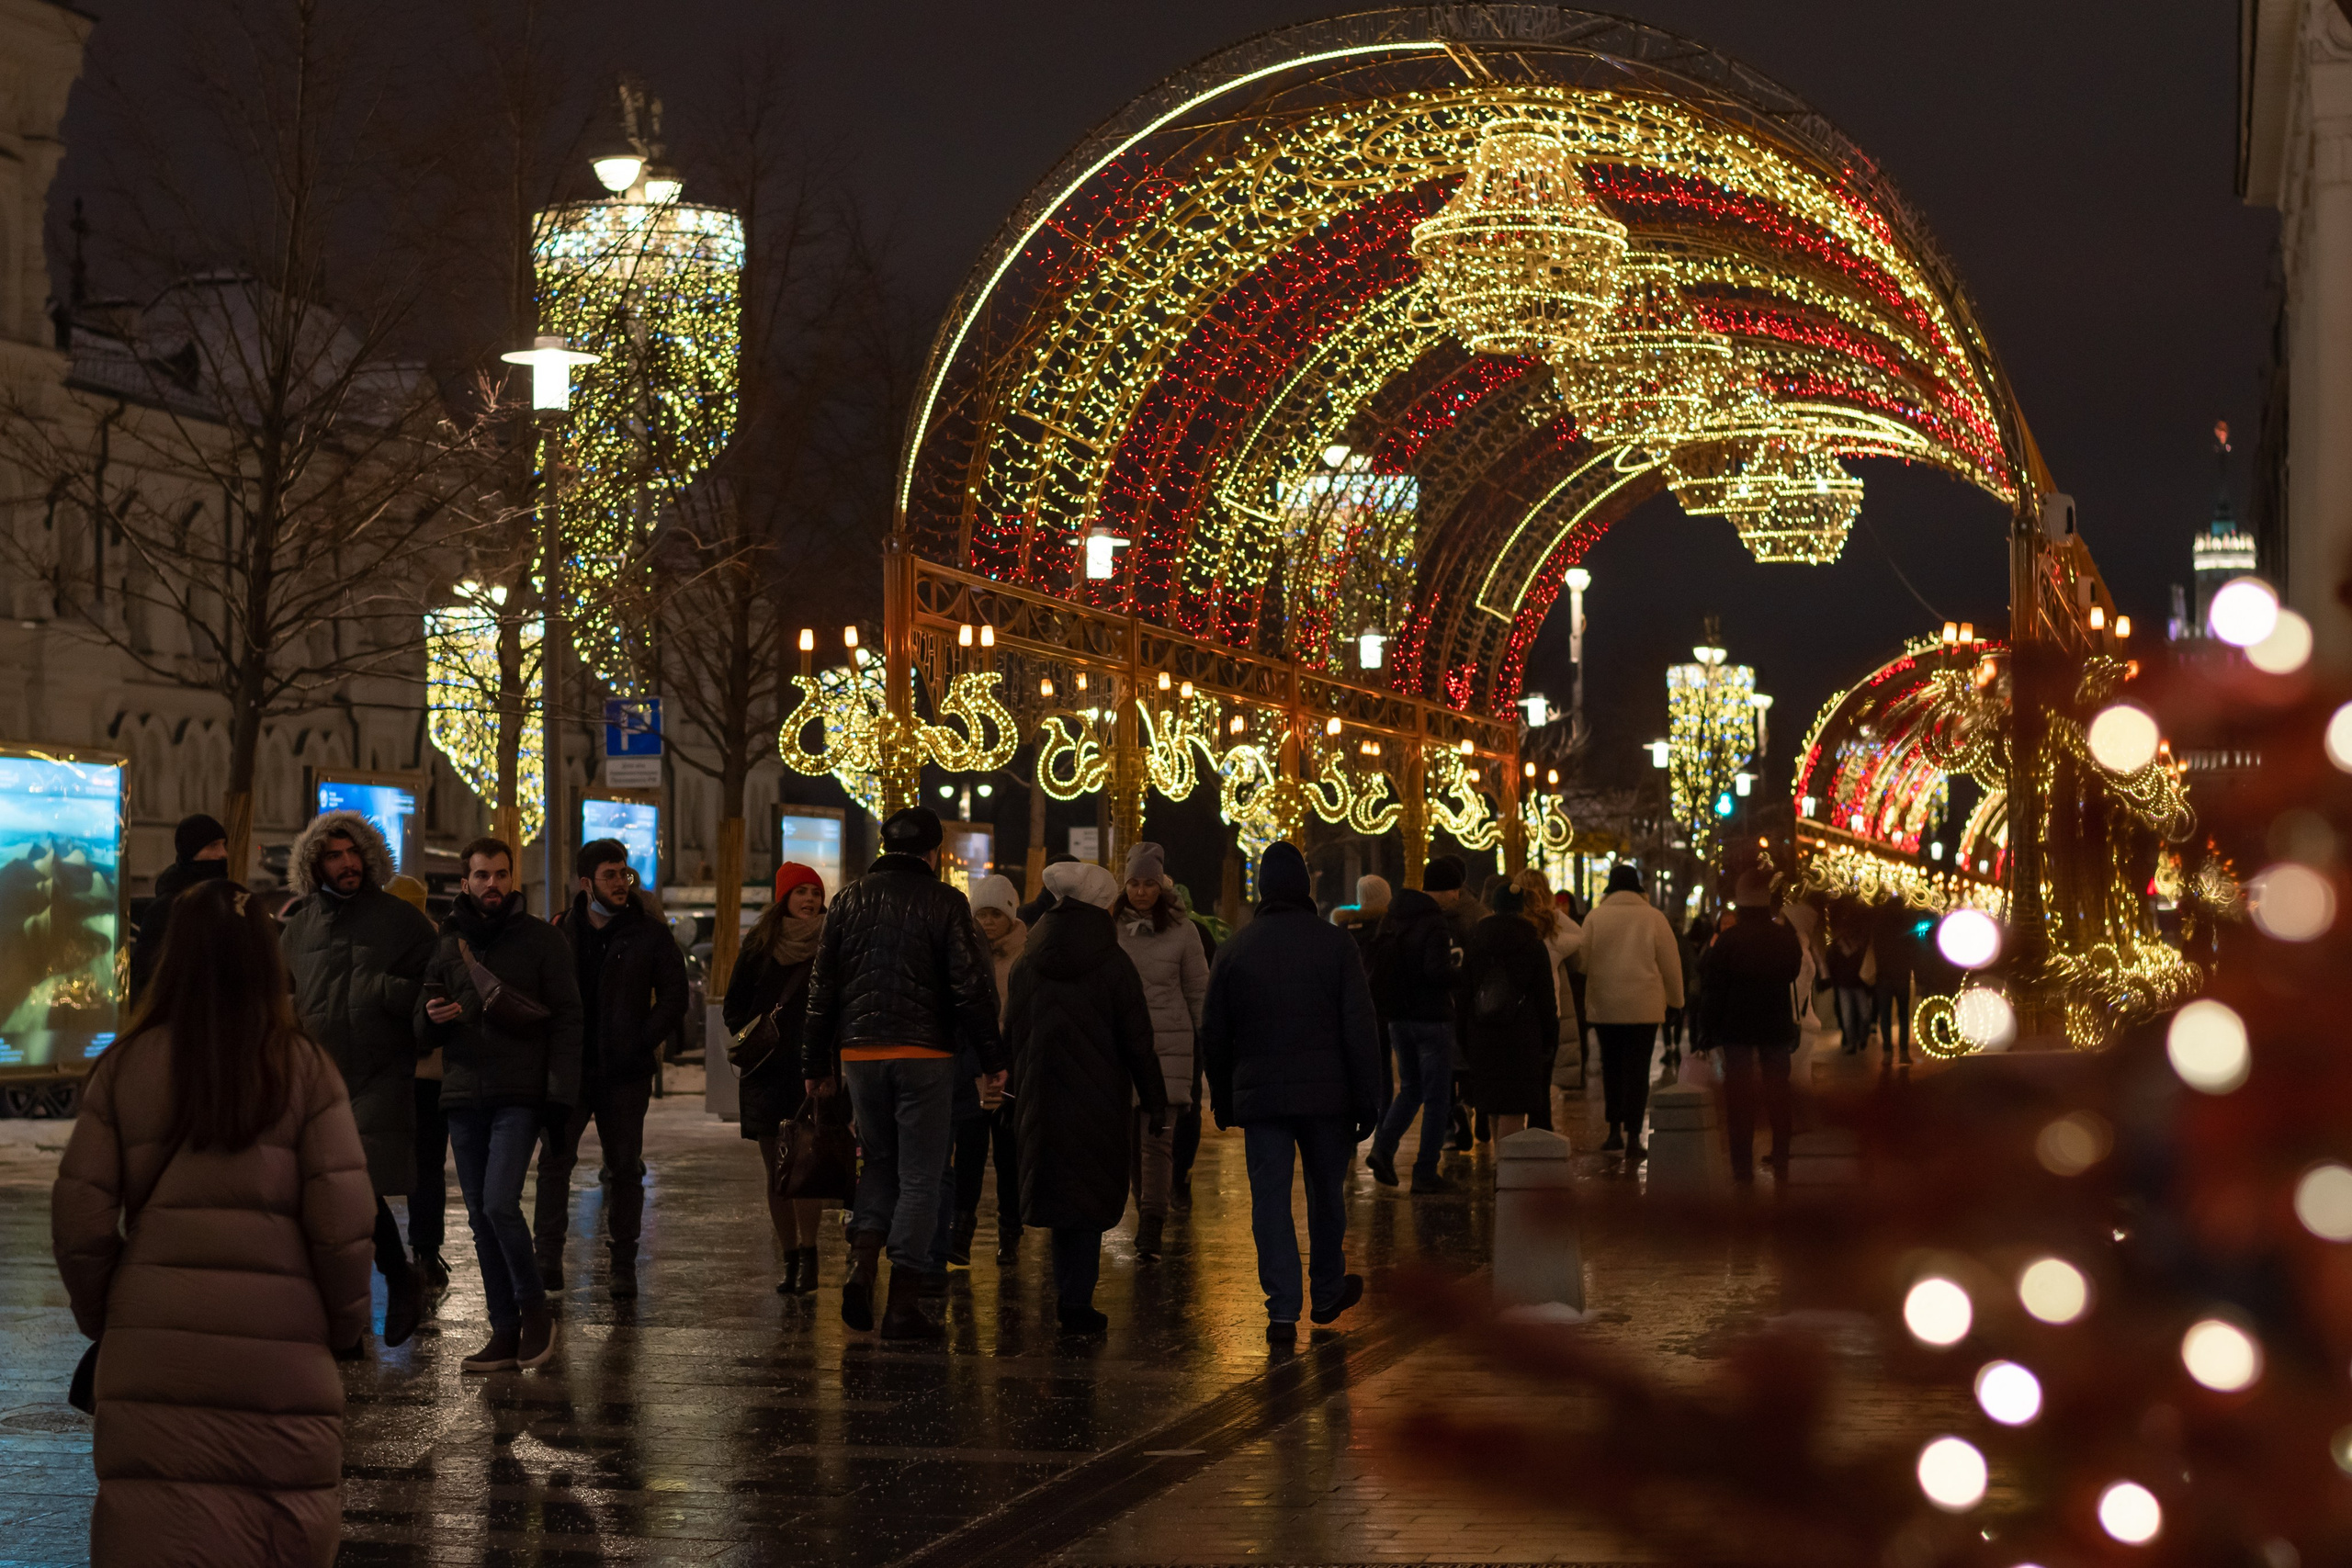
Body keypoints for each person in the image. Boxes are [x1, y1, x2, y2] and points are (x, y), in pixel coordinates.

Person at [52, 876, 376, 1567]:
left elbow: (79, 1218)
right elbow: (345, 1225)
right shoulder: (305, 1070)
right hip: (281, 1357)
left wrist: (108, 1314)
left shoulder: (125, 1067)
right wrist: (344, 1326)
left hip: (153, 1348)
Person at [802, 807, 1004, 1342]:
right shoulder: (945, 901)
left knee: (879, 1164)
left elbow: (823, 986)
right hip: (926, 1056)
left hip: (860, 1056)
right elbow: (970, 987)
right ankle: (902, 1304)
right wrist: (992, 1059)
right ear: (934, 852)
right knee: (921, 1176)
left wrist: (814, 1064)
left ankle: (861, 1264)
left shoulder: (847, 899)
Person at [1201, 841, 1381, 1344]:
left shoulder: (1236, 948)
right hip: (1328, 1098)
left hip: (1262, 1100)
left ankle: (1282, 1308)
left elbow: (1214, 1031)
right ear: (1305, 886)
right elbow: (1359, 1027)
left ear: (1262, 889)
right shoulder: (1336, 944)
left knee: (1270, 1202)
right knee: (1327, 1195)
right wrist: (1368, 1096)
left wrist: (1223, 1095)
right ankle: (1325, 1289)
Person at [417, 838, 582, 1373]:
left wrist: (557, 1095)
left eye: (502, 874)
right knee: (481, 1222)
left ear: (514, 879)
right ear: (465, 882)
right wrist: (430, 1018)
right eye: (483, 875)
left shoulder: (541, 940)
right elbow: (420, 1022)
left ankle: (534, 1312)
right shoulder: (448, 942)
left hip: (520, 1094)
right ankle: (503, 1330)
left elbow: (567, 1020)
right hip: (464, 1095)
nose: (493, 884)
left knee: (498, 1205)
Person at [278, 809, 437, 1348]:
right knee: (329, 1200)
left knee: (359, 1184)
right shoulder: (298, 927)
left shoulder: (401, 921)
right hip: (319, 1079)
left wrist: (383, 991)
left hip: (380, 1075)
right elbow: (287, 997)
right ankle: (347, 1316)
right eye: (333, 856)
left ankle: (397, 1277)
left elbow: (432, 994)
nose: (346, 864)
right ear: (315, 865)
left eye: (352, 854)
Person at [1003, 859, 1167, 1335]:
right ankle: (1078, 1297)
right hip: (1098, 1097)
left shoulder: (1028, 962)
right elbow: (1138, 1039)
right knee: (1088, 1194)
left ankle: (1066, 1292)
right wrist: (1155, 1101)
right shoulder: (1113, 962)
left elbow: (1012, 1032)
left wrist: (1009, 1089)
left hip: (1040, 1094)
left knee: (1057, 1191)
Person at [540, 839, 687, 1301]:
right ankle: (546, 1259)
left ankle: (623, 1264)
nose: (622, 883)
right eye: (610, 875)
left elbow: (674, 996)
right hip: (571, 1070)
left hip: (624, 1072)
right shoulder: (562, 931)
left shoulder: (649, 932)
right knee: (554, 1163)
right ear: (586, 883)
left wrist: (641, 1040)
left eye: (624, 873)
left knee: (624, 1167)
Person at [723, 862, 828, 1295]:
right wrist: (761, 1030)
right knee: (777, 1173)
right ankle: (788, 1258)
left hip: (813, 1073)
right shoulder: (760, 945)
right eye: (801, 891)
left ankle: (809, 1256)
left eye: (815, 893)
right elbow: (734, 1008)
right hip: (767, 1072)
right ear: (784, 897)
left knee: (808, 1169)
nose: (809, 900)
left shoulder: (832, 943)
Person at [1112, 841, 1207, 1262]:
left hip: (1168, 1043)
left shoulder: (1183, 930)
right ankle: (1144, 1207)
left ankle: (1152, 1222)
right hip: (1120, 1046)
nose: (1141, 891)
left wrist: (1209, 1039)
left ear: (1161, 886)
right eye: (1134, 883)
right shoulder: (1109, 926)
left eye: (1149, 883)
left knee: (1158, 1138)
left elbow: (1197, 989)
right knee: (1128, 1142)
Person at [1363, 859, 1466, 1193]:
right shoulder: (1435, 923)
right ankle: (1425, 1171)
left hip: (1397, 1018)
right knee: (1437, 1098)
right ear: (1446, 889)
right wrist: (1462, 974)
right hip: (1431, 1019)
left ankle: (1383, 1149)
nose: (1458, 896)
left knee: (1410, 1089)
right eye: (1456, 889)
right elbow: (1435, 972)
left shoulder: (1395, 915)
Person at [1702, 863, 1805, 1182]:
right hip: (1775, 1024)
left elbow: (1713, 990)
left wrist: (1708, 1032)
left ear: (1740, 902)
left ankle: (1742, 1167)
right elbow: (1792, 973)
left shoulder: (1729, 941)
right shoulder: (1784, 938)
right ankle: (1782, 1156)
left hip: (1737, 1028)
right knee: (1778, 1093)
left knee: (1739, 1098)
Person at [1577, 863, 1685, 1157]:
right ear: (1638, 886)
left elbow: (1582, 963)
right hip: (1644, 1009)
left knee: (1611, 1069)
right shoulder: (1654, 918)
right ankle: (1634, 1136)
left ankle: (1614, 1131)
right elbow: (1671, 965)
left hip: (1606, 1007)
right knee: (1638, 1072)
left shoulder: (1595, 918)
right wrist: (1676, 1002)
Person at [385, 874, 454, 1308]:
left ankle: (398, 1254)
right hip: (430, 1075)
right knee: (427, 1165)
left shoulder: (384, 945)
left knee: (383, 1164)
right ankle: (425, 1254)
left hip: (396, 1071)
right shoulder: (440, 943)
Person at [1456, 878, 1557, 1143]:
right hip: (1522, 1036)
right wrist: (1549, 1039)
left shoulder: (1476, 942)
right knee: (1514, 1106)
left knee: (1493, 1103)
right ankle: (1509, 1171)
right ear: (1520, 908)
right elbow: (1546, 998)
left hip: (1482, 1034)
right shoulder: (1533, 944)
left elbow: (1464, 993)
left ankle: (1499, 1166)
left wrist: (1464, 1036)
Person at [959, 873, 1026, 1264]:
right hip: (972, 1067)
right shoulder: (964, 950)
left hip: (1011, 1066)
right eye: (981, 914)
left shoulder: (1025, 953)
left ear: (1010, 915)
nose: (987, 922)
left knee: (1008, 1155)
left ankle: (1010, 1231)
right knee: (968, 1151)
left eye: (995, 914)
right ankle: (961, 1231)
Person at [125, 812, 228, 1004]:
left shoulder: (227, 902)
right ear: (192, 852)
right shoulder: (166, 909)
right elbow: (148, 973)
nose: (223, 854)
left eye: (224, 845)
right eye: (213, 846)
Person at [1510, 865, 1582, 1131]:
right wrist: (1552, 912)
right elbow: (1579, 936)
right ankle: (1541, 1130)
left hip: (1514, 1011)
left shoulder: (1512, 925)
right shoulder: (1552, 934)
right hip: (1547, 1009)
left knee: (1518, 1077)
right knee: (1543, 1077)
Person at [1166, 880, 1220, 1205]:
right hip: (1188, 1033)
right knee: (1187, 1106)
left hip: (1172, 1031)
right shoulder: (1203, 932)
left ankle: (1166, 1179)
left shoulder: (1193, 934)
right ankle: (1179, 1178)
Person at [1332, 874, 1395, 1117]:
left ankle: (1350, 1132)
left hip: (1349, 1008)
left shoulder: (1343, 927)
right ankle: (1383, 1124)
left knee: (1350, 1068)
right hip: (1381, 1007)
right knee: (1383, 1069)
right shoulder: (1388, 928)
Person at [1871, 903, 1917, 1065]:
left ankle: (1887, 1052)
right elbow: (1912, 951)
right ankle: (1904, 1052)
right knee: (1903, 1014)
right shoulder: (1906, 928)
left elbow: (1876, 951)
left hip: (1884, 976)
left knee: (1885, 1015)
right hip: (1902, 976)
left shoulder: (1879, 929)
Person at [1825, 910, 1874, 1055]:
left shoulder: (1842, 946)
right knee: (1852, 1016)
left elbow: (1832, 965)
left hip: (1852, 984)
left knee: (1859, 1015)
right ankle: (1854, 1041)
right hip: (1847, 985)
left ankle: (1857, 1039)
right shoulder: (1840, 946)